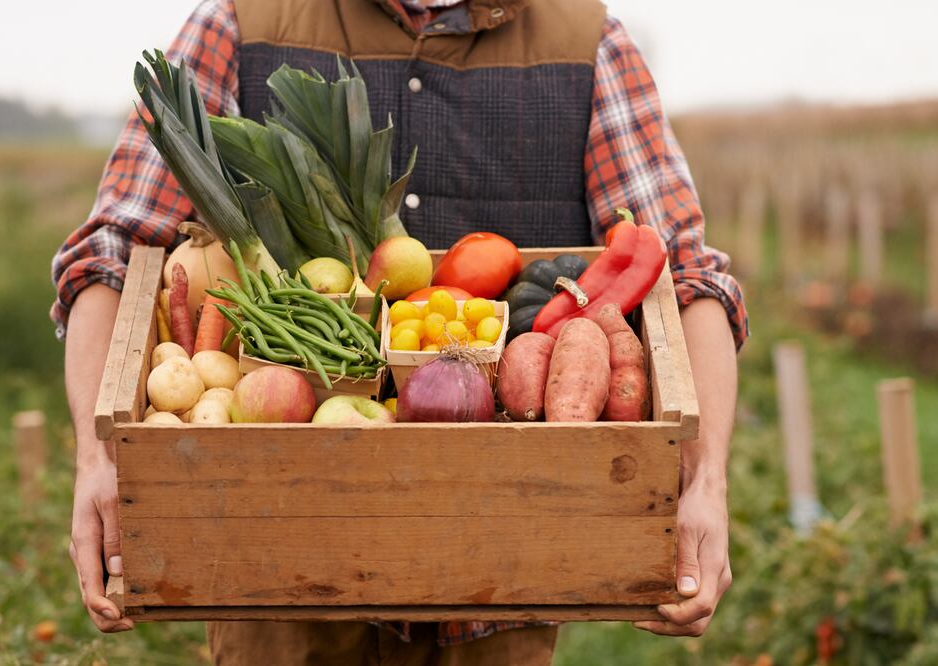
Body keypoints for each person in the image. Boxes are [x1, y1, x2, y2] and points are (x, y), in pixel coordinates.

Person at [53, 0, 747, 663]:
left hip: (503, 574)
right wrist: (97, 461)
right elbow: (112, 255)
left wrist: (705, 483)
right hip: (278, 575)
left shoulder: (588, 42)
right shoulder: (239, 21)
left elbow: (686, 278)